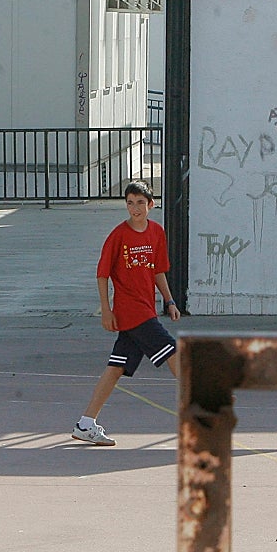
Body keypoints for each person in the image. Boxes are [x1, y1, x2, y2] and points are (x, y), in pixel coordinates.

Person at [72, 181, 181, 446]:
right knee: (172, 350)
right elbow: (102, 274)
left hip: (147, 308)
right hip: (131, 311)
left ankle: (85, 424)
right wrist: (106, 310)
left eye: (140, 203)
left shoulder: (156, 232)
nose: (135, 208)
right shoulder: (118, 235)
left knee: (116, 368)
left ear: (150, 205)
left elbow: (157, 271)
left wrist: (169, 301)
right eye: (130, 202)